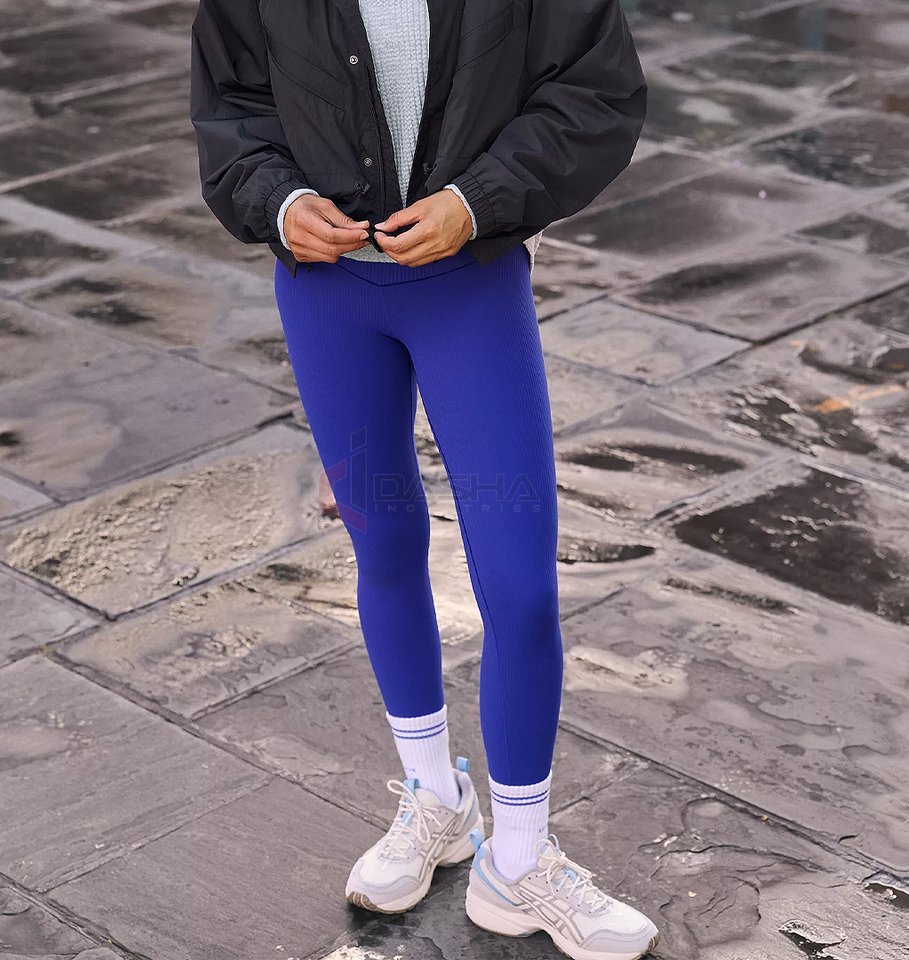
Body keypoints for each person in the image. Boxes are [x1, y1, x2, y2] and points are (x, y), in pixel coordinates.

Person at [190, 2, 658, 957]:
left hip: (471, 289)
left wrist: (478, 199)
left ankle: (518, 862)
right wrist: (278, 201)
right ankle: (435, 802)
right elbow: (231, 99)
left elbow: (595, 90)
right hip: (326, 297)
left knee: (519, 584)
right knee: (385, 540)